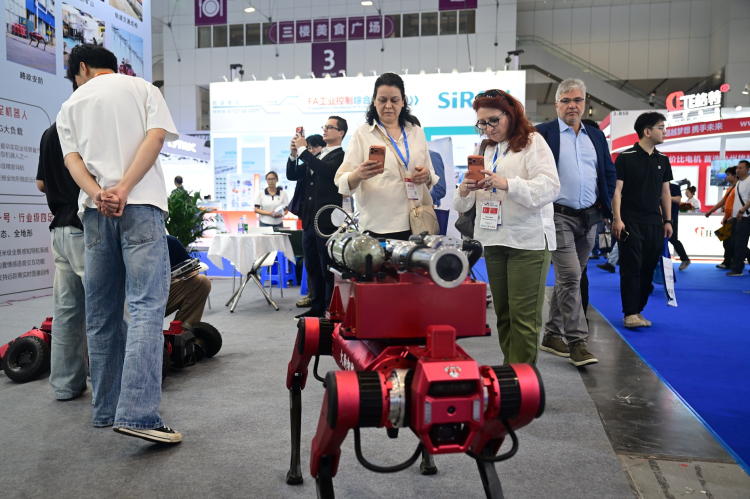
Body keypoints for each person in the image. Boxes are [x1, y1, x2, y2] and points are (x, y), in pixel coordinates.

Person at [57, 44, 181, 443]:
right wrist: (124, 188)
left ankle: (107, 409)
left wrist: (99, 193)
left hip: (95, 213)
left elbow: (73, 161)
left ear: (82, 67)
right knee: (146, 308)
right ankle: (139, 415)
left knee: (101, 314)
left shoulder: (70, 105)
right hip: (140, 205)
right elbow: (156, 138)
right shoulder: (143, 88)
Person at [454, 89, 560, 365]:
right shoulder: (484, 149)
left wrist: (507, 184)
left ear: (510, 115)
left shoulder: (532, 142)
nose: (488, 128)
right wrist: (464, 188)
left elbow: (550, 187)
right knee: (504, 315)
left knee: (524, 319)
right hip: (493, 240)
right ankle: (510, 375)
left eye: (493, 120)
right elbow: (462, 204)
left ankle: (521, 381)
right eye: (482, 123)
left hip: (527, 241)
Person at [535, 79, 616, 367]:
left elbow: (608, 173)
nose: (572, 105)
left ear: (585, 104)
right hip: (557, 215)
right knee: (571, 277)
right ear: (557, 104)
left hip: (590, 218)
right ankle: (578, 341)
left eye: (578, 100)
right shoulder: (542, 133)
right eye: (566, 100)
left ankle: (551, 334)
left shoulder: (595, 135)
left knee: (571, 277)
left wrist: (606, 205)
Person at [335, 72, 438, 241]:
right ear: (374, 101)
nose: (388, 106)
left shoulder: (416, 132)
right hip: (378, 226)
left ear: (403, 102)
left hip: (416, 223)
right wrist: (358, 174)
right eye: (382, 100)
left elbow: (430, 174)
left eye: (394, 100)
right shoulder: (362, 134)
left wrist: (426, 176)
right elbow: (341, 180)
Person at [36, 122, 88, 401]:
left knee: (66, 311)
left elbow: (41, 183)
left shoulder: (49, 133)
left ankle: (66, 385)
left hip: (60, 229)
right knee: (106, 308)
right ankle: (114, 383)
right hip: (86, 225)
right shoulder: (83, 123)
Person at [611, 112, 674, 328]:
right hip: (630, 221)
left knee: (648, 268)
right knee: (631, 267)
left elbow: (665, 193)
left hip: (655, 222)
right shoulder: (625, 157)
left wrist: (668, 221)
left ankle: (638, 310)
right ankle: (629, 313)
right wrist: (617, 218)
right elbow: (617, 191)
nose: (664, 131)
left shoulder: (663, 160)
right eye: (660, 127)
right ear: (647, 131)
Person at [287, 116, 347, 318]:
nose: (325, 129)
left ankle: (329, 309)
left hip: (326, 221)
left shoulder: (341, 157)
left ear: (341, 133)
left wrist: (303, 150)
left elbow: (326, 172)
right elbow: (292, 175)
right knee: (312, 266)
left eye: (330, 127)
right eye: (325, 126)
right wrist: (294, 154)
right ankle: (317, 306)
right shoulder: (318, 156)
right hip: (309, 220)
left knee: (326, 267)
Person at [705, 166, 747, 269]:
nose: (726, 177)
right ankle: (728, 261)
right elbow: (723, 202)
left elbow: (738, 204)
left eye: (728, 175)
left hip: (735, 218)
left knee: (735, 243)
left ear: (734, 176)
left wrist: (732, 216)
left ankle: (730, 262)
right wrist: (710, 210)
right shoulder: (730, 188)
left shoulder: (738, 188)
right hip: (729, 218)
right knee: (728, 242)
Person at [165, 236, 212, 325]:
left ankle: (184, 330)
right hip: (138, 301)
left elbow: (191, 271)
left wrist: (179, 274)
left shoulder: (169, 242)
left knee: (201, 282)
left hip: (161, 294)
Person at [727, 160, 750, 276]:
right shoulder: (739, 183)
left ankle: (737, 269)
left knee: (739, 244)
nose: (738, 170)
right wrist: (733, 215)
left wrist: (742, 210)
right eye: (737, 168)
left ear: (747, 169)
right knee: (734, 242)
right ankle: (737, 266)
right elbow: (737, 202)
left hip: (745, 216)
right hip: (737, 217)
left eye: (741, 168)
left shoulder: (749, 181)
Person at [668, 182, 691, 270]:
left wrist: (665, 196)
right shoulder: (657, 186)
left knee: (673, 239)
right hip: (659, 218)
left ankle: (685, 259)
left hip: (672, 218)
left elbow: (678, 200)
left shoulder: (674, 187)